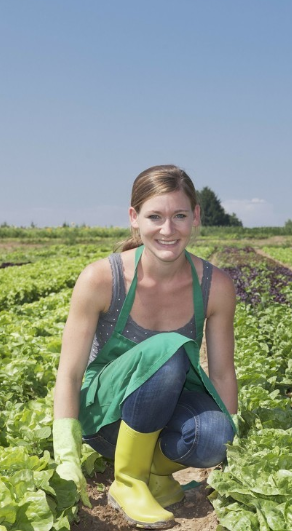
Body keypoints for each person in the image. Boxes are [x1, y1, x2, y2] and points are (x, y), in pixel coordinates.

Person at [51, 165, 238, 528]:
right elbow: (70, 373)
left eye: (179, 216)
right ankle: (129, 480)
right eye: (155, 216)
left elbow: (222, 373)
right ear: (134, 219)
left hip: (162, 410)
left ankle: (153, 475)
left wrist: (233, 448)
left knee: (214, 437)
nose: (168, 230)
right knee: (167, 350)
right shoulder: (101, 278)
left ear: (196, 217)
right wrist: (66, 452)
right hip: (106, 420)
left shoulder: (215, 286)